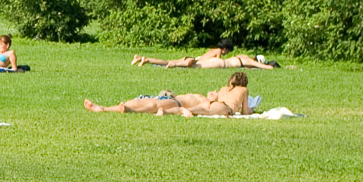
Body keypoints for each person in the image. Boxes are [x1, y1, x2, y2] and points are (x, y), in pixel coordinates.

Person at [85, 73, 252, 116]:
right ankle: (111, 108)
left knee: (150, 103)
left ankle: (110, 108)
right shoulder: (206, 100)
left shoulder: (206, 99)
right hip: (173, 101)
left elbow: (208, 106)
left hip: (172, 101)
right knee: (150, 103)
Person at [131, 45, 279, 70]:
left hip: (216, 62)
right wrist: (271, 66)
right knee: (193, 66)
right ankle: (176, 65)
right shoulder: (247, 61)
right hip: (220, 64)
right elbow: (265, 67)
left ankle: (146, 59)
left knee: (173, 61)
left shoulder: (242, 57)